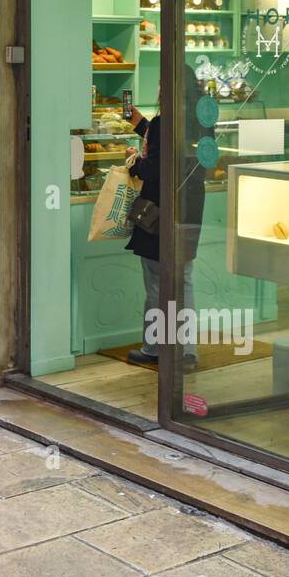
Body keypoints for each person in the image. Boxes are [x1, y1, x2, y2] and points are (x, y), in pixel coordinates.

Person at [121, 63, 207, 368]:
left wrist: (135, 164)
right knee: (183, 279)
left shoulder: (162, 122)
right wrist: (141, 125)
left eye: (161, 81)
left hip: (159, 211)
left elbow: (155, 169)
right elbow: (173, 145)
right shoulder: (200, 120)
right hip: (192, 206)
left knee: (157, 280)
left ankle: (155, 348)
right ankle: (186, 352)